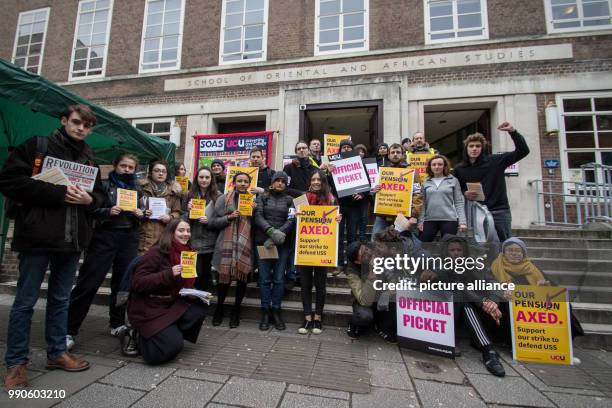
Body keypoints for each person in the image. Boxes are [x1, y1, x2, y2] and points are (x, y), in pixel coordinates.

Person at [0, 104, 105, 389]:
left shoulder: (88, 156)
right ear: (63, 121)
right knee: (24, 301)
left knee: (60, 299)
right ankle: (16, 363)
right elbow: (8, 181)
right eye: (76, 122)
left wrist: (89, 201)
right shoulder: (37, 146)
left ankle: (57, 352)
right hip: (37, 237)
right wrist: (59, 193)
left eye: (86, 125)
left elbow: (100, 196)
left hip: (71, 240)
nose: (81, 128)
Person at [67, 154, 144, 350]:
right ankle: (69, 329)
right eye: (123, 166)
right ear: (115, 165)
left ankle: (117, 323)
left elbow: (142, 214)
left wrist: (140, 214)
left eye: (131, 167)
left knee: (122, 284)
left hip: (128, 237)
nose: (127, 170)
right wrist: (107, 212)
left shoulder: (137, 188)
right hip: (104, 236)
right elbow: (91, 209)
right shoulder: (102, 185)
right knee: (89, 281)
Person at [422, 235, 506, 377]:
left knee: (467, 302)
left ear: (464, 251)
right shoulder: (437, 264)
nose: (456, 253)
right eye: (452, 250)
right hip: (445, 313)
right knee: (461, 298)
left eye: (459, 250)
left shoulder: (474, 265)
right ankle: (488, 349)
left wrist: (492, 300)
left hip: (473, 309)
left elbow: (493, 283)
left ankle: (488, 349)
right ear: (446, 251)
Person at [128, 219, 207, 365]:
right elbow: (138, 283)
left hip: (170, 302)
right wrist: (168, 274)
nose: (186, 234)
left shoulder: (187, 252)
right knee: (166, 351)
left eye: (188, 231)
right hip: (150, 307)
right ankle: (138, 336)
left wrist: (195, 292)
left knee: (198, 309)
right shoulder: (156, 253)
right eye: (181, 230)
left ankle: (167, 332)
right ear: (171, 232)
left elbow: (184, 282)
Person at [454, 122, 529, 242]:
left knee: (504, 244)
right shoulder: (459, 169)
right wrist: (464, 193)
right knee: (481, 245)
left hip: (499, 211)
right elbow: (459, 188)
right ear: (466, 148)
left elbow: (523, 151)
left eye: (478, 146)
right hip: (477, 211)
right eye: (471, 146)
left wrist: (513, 132)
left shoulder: (496, 160)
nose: (474, 149)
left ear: (482, 148)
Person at [296, 170, 341, 334]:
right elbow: (293, 220)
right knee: (306, 285)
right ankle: (307, 318)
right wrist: (296, 215)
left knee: (320, 285)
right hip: (306, 247)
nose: (316, 182)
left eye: (319, 179)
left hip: (323, 249)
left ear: (323, 182)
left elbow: (335, 223)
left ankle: (318, 319)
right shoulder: (302, 199)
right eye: (313, 179)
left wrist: (338, 219)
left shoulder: (331, 199)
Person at [209, 172, 256, 328]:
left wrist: (254, 212)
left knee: (242, 279)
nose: (242, 184)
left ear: (249, 184)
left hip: (245, 243)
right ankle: (219, 308)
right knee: (224, 279)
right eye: (239, 181)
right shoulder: (223, 198)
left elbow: (257, 224)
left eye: (245, 181)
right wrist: (229, 217)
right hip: (226, 243)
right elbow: (212, 222)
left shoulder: (253, 200)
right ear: (234, 183)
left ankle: (236, 311)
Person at [254, 171, 295, 331]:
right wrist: (271, 232)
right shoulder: (262, 197)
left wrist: (279, 235)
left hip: (282, 244)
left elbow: (291, 219)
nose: (280, 183)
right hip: (264, 243)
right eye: (277, 180)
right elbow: (258, 216)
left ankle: (276, 310)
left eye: (283, 181)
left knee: (278, 279)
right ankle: (265, 311)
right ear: (272, 183)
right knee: (264, 279)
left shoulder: (290, 200)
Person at [371, 143, 423, 237]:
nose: (395, 154)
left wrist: (414, 216)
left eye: (398, 152)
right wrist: (374, 191)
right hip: (383, 215)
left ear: (403, 155)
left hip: (403, 216)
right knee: (376, 243)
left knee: (403, 245)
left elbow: (417, 195)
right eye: (393, 152)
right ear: (389, 155)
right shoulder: (382, 171)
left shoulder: (412, 172)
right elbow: (375, 193)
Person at [183, 166, 222, 291]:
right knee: (195, 274)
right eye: (201, 177)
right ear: (196, 179)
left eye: (207, 177)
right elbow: (182, 219)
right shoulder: (189, 194)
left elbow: (223, 220)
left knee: (206, 275)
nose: (204, 180)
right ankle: (195, 302)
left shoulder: (219, 196)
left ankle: (205, 302)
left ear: (212, 179)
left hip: (211, 242)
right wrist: (188, 212)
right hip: (193, 240)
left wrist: (209, 221)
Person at [418, 155, 467, 242]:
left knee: (448, 247)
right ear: (430, 167)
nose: (437, 167)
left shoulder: (453, 180)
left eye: (440, 164)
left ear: (444, 166)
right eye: (434, 165)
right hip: (429, 220)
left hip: (449, 220)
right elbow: (423, 203)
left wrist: (462, 222)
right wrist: (420, 221)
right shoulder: (425, 182)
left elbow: (458, 202)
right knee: (423, 245)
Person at [138, 160, 182, 255]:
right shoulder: (141, 189)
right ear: (151, 173)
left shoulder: (173, 192)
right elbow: (135, 209)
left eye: (163, 171)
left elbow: (177, 212)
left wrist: (170, 217)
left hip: (164, 235)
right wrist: (143, 213)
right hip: (145, 236)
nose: (160, 173)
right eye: (157, 170)